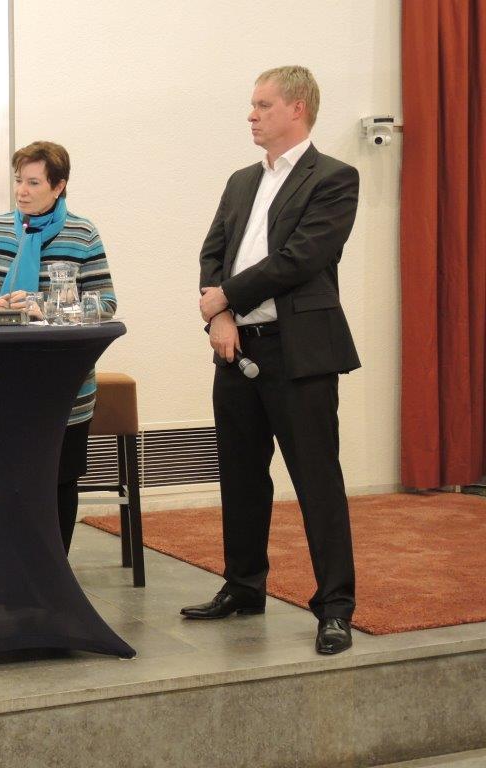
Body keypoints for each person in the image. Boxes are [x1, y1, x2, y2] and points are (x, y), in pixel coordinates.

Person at [183, 66, 361, 655]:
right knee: (240, 473)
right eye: (252, 104)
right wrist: (221, 318)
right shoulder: (241, 181)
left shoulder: (334, 178)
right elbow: (213, 253)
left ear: (297, 109)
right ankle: (243, 585)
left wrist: (226, 299)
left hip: (298, 351)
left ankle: (335, 607)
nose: (252, 114)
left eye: (263, 104)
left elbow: (299, 259)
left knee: (316, 479)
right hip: (236, 348)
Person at [0, 140, 117, 553]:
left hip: (64, 385)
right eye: (19, 180)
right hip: (0, 382)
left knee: (58, 481)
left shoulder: (83, 234)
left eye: (33, 183)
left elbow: (105, 304)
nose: (22, 191)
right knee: (4, 480)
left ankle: (53, 571)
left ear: (59, 186)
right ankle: (8, 570)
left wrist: (46, 308)